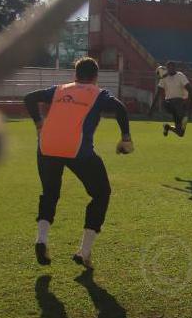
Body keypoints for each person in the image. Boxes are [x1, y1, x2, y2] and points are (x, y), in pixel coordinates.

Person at [23, 57, 134, 270]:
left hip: (46, 147)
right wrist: (126, 138)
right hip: (77, 150)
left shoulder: (60, 89)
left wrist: (39, 123)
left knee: (50, 193)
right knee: (101, 193)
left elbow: (29, 98)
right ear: (95, 77)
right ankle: (84, 252)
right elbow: (120, 108)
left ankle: (42, 240)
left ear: (75, 74)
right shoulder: (97, 93)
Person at [150, 60, 192, 138]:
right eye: (168, 67)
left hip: (180, 104)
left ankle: (168, 127)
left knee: (180, 133)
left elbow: (190, 90)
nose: (170, 69)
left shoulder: (180, 76)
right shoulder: (164, 78)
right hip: (169, 104)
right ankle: (184, 117)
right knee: (177, 106)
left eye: (172, 67)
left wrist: (189, 104)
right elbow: (158, 94)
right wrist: (152, 108)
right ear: (167, 68)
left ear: (175, 68)